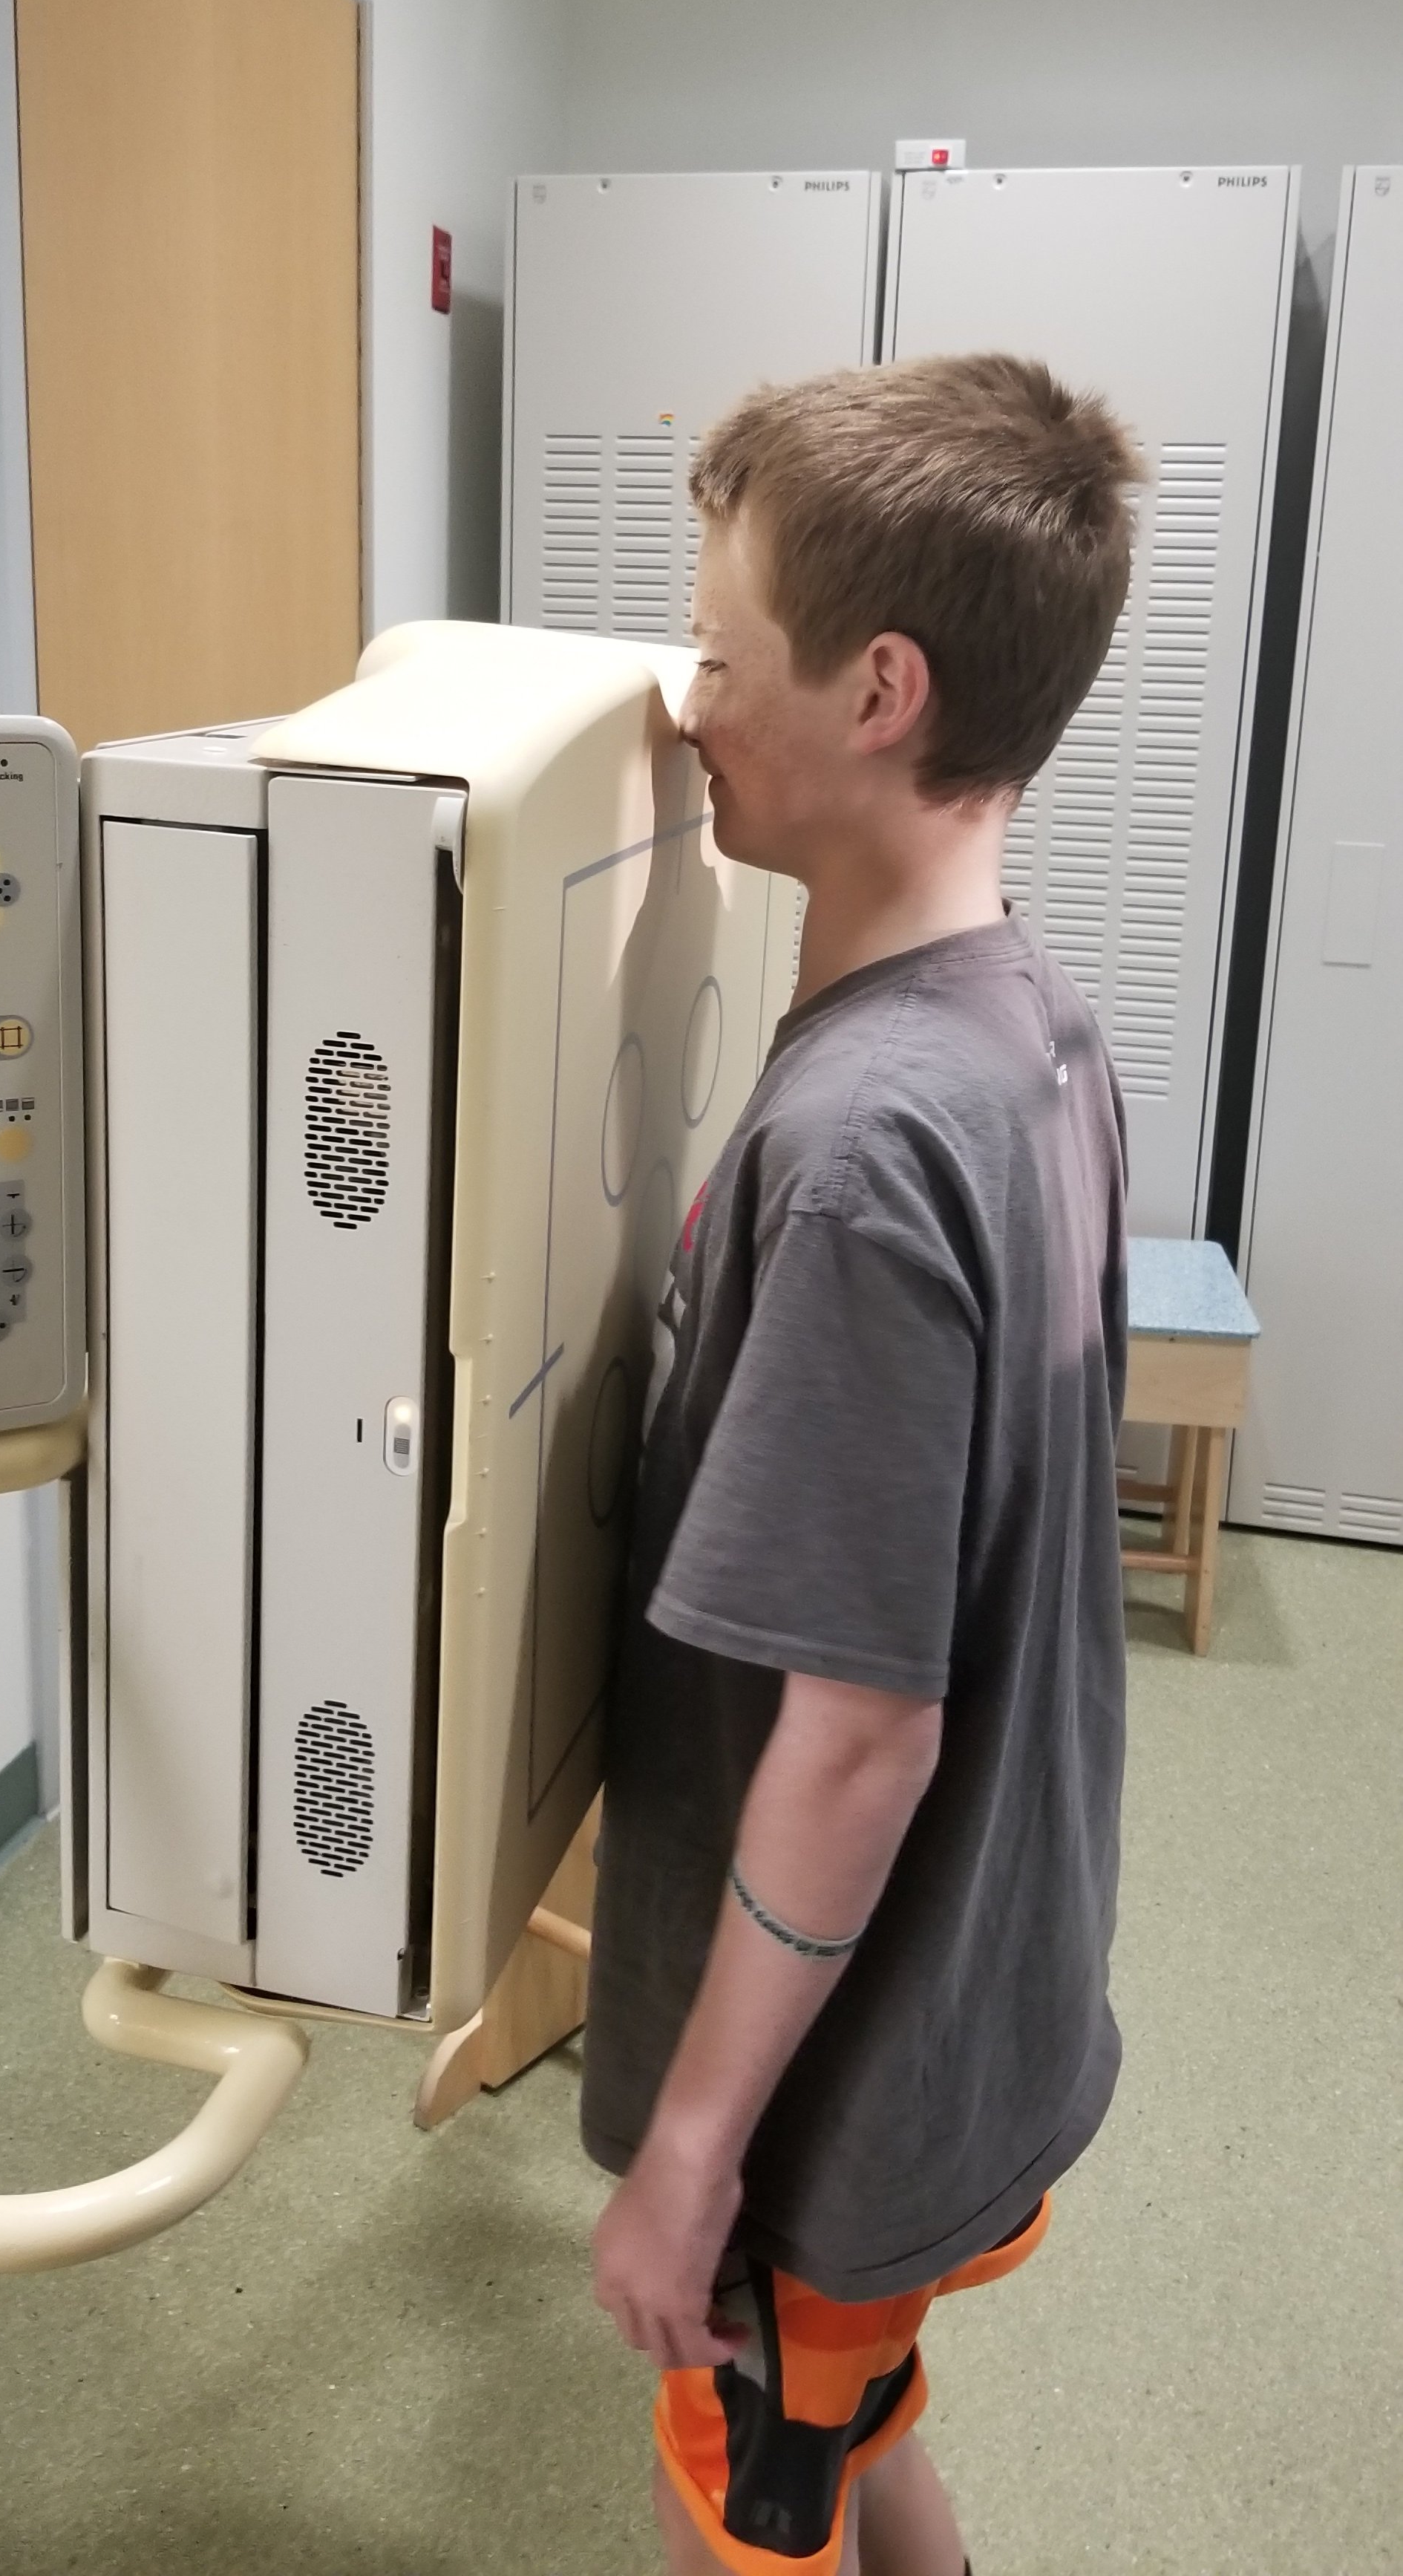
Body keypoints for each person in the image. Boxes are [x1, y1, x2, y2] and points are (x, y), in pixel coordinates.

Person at [581, 354, 1143, 2576]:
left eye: (721, 655)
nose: (689, 702)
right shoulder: (1034, 1030)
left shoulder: (863, 1148)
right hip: (972, 1989)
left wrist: (691, 2148)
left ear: (881, 690)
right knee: (861, 2417)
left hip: (835, 2074)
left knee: (756, 2495)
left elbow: (858, 1735)